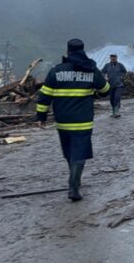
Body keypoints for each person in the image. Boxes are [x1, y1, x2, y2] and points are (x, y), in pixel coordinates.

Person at [36, 38, 109, 201]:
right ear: (83, 50)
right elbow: (105, 90)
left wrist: (41, 116)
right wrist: (95, 92)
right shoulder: (90, 70)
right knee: (79, 153)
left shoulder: (57, 70)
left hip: (62, 122)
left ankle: (74, 180)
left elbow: (44, 95)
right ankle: (74, 187)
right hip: (83, 121)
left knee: (69, 152)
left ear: (67, 51)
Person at [101, 53, 127, 118]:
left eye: (114, 57)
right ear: (110, 58)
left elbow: (125, 72)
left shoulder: (120, 65)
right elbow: (102, 72)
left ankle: (116, 112)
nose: (113, 58)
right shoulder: (107, 65)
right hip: (110, 85)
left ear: (116, 58)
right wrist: (105, 77)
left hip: (119, 85)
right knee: (111, 99)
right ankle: (113, 112)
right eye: (112, 57)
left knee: (117, 97)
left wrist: (121, 77)